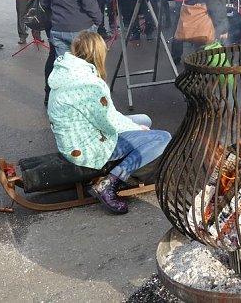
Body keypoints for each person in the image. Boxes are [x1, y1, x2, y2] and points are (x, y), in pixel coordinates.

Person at [47, 31, 171, 214]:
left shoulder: (67, 72)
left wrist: (137, 126)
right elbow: (109, 122)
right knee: (163, 137)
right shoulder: (88, 84)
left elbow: (105, 116)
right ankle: (110, 183)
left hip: (79, 137)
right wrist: (137, 129)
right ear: (98, 53)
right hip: (87, 148)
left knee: (145, 119)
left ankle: (133, 159)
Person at [36, 0, 63, 106]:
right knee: (59, 55)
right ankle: (55, 93)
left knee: (53, 53)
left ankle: (48, 92)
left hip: (48, 14)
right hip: (58, 15)